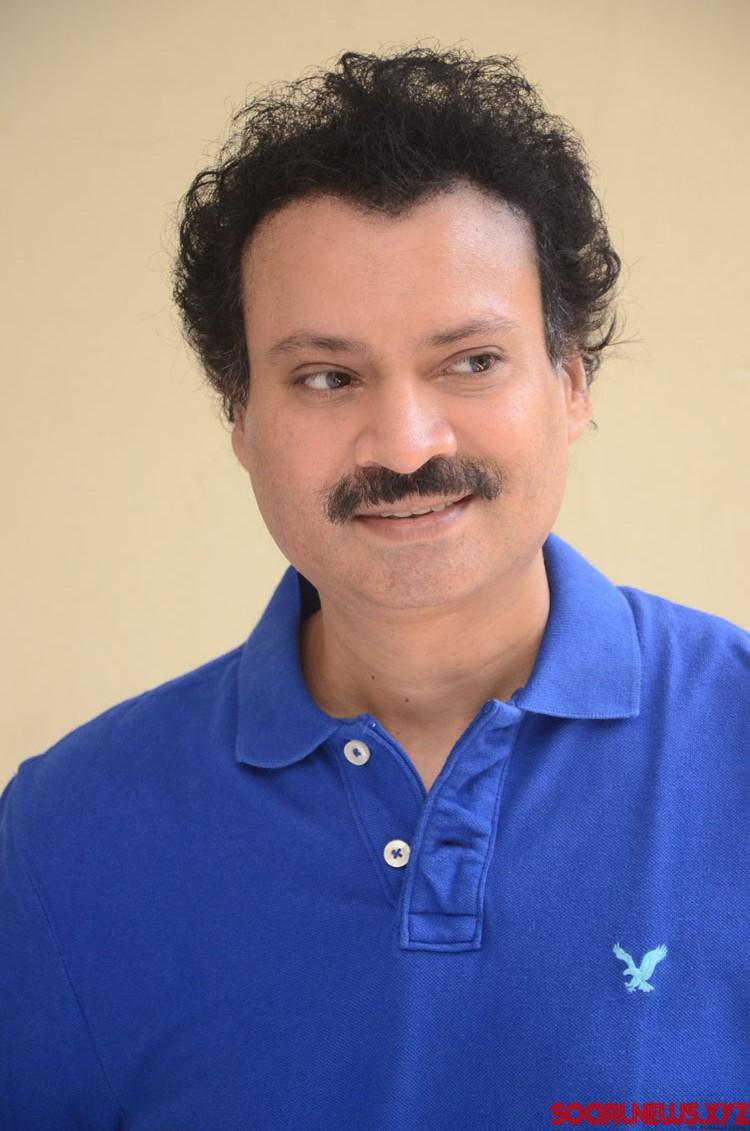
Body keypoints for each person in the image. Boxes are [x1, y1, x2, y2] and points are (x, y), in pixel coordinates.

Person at [2, 46, 749, 1131]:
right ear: (240, 421)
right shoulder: (61, 837)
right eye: (327, 377)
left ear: (571, 381)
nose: (404, 444)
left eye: (471, 360)